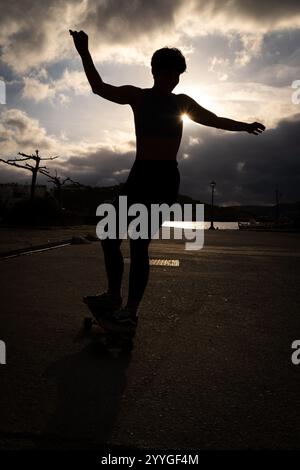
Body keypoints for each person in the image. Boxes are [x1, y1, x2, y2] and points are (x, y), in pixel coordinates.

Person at [70, 30, 265, 331]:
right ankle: (112, 297)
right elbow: (98, 88)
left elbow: (214, 119)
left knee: (138, 245)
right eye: (167, 73)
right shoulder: (139, 96)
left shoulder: (181, 102)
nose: (172, 80)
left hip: (163, 180)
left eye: (177, 75)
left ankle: (130, 311)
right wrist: (84, 51)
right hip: (139, 175)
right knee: (109, 236)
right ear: (155, 71)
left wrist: (244, 126)